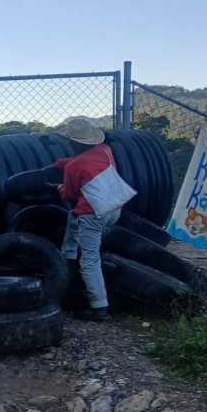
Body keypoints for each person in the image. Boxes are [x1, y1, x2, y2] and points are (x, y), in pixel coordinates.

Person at [45, 118, 137, 322]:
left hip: (93, 214)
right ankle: (68, 258)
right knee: (73, 218)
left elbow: (68, 195)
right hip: (114, 208)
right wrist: (63, 163)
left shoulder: (75, 166)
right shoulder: (104, 149)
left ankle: (99, 306)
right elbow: (86, 163)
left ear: (73, 142)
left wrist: (56, 186)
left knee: (89, 259)